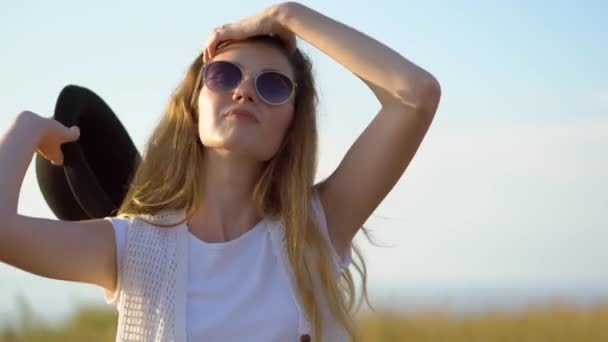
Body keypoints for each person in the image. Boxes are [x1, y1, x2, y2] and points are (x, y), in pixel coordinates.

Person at [0, 2, 441, 341]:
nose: (245, 90)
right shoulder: (134, 247)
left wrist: (286, 15)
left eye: (272, 85)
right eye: (224, 76)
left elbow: (415, 95)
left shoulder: (315, 228)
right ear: (193, 109)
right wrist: (25, 127)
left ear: (292, 125)